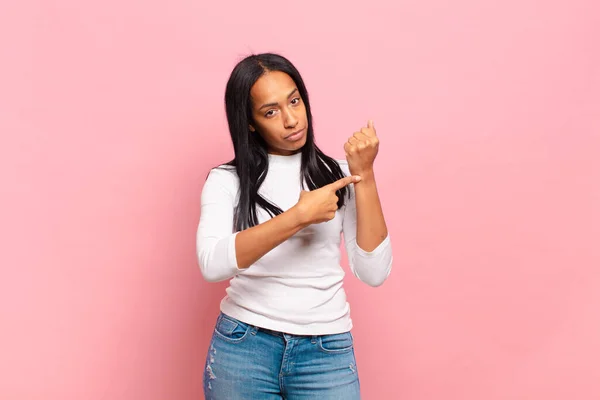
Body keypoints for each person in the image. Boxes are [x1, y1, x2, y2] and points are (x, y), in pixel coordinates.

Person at [196, 52, 393, 399]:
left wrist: (366, 175)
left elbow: (373, 272)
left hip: (326, 352)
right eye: (271, 111)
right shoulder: (226, 180)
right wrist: (297, 217)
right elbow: (211, 263)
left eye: (295, 101)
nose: (291, 120)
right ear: (250, 123)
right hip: (244, 347)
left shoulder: (336, 174)